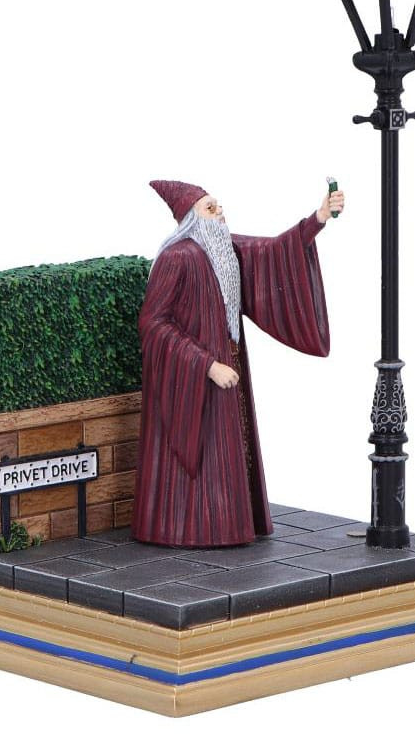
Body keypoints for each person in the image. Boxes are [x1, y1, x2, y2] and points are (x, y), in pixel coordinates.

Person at [132, 179, 345, 547]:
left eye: (219, 206)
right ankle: (194, 531)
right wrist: (205, 365)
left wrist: (319, 218)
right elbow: (153, 323)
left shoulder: (225, 249)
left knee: (229, 450)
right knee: (204, 456)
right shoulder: (177, 258)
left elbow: (275, 252)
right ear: (191, 220)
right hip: (197, 380)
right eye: (210, 208)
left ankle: (229, 527)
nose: (220, 213)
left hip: (231, 367)